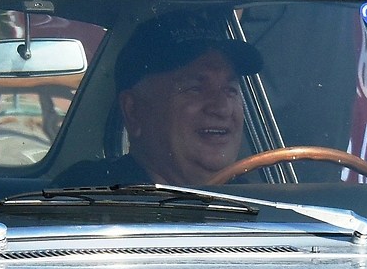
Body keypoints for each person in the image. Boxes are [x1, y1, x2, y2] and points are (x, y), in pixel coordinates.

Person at [56, 16, 256, 188]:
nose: (221, 108)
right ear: (133, 112)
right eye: (195, 89)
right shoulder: (89, 197)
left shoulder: (258, 203)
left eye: (230, 90)